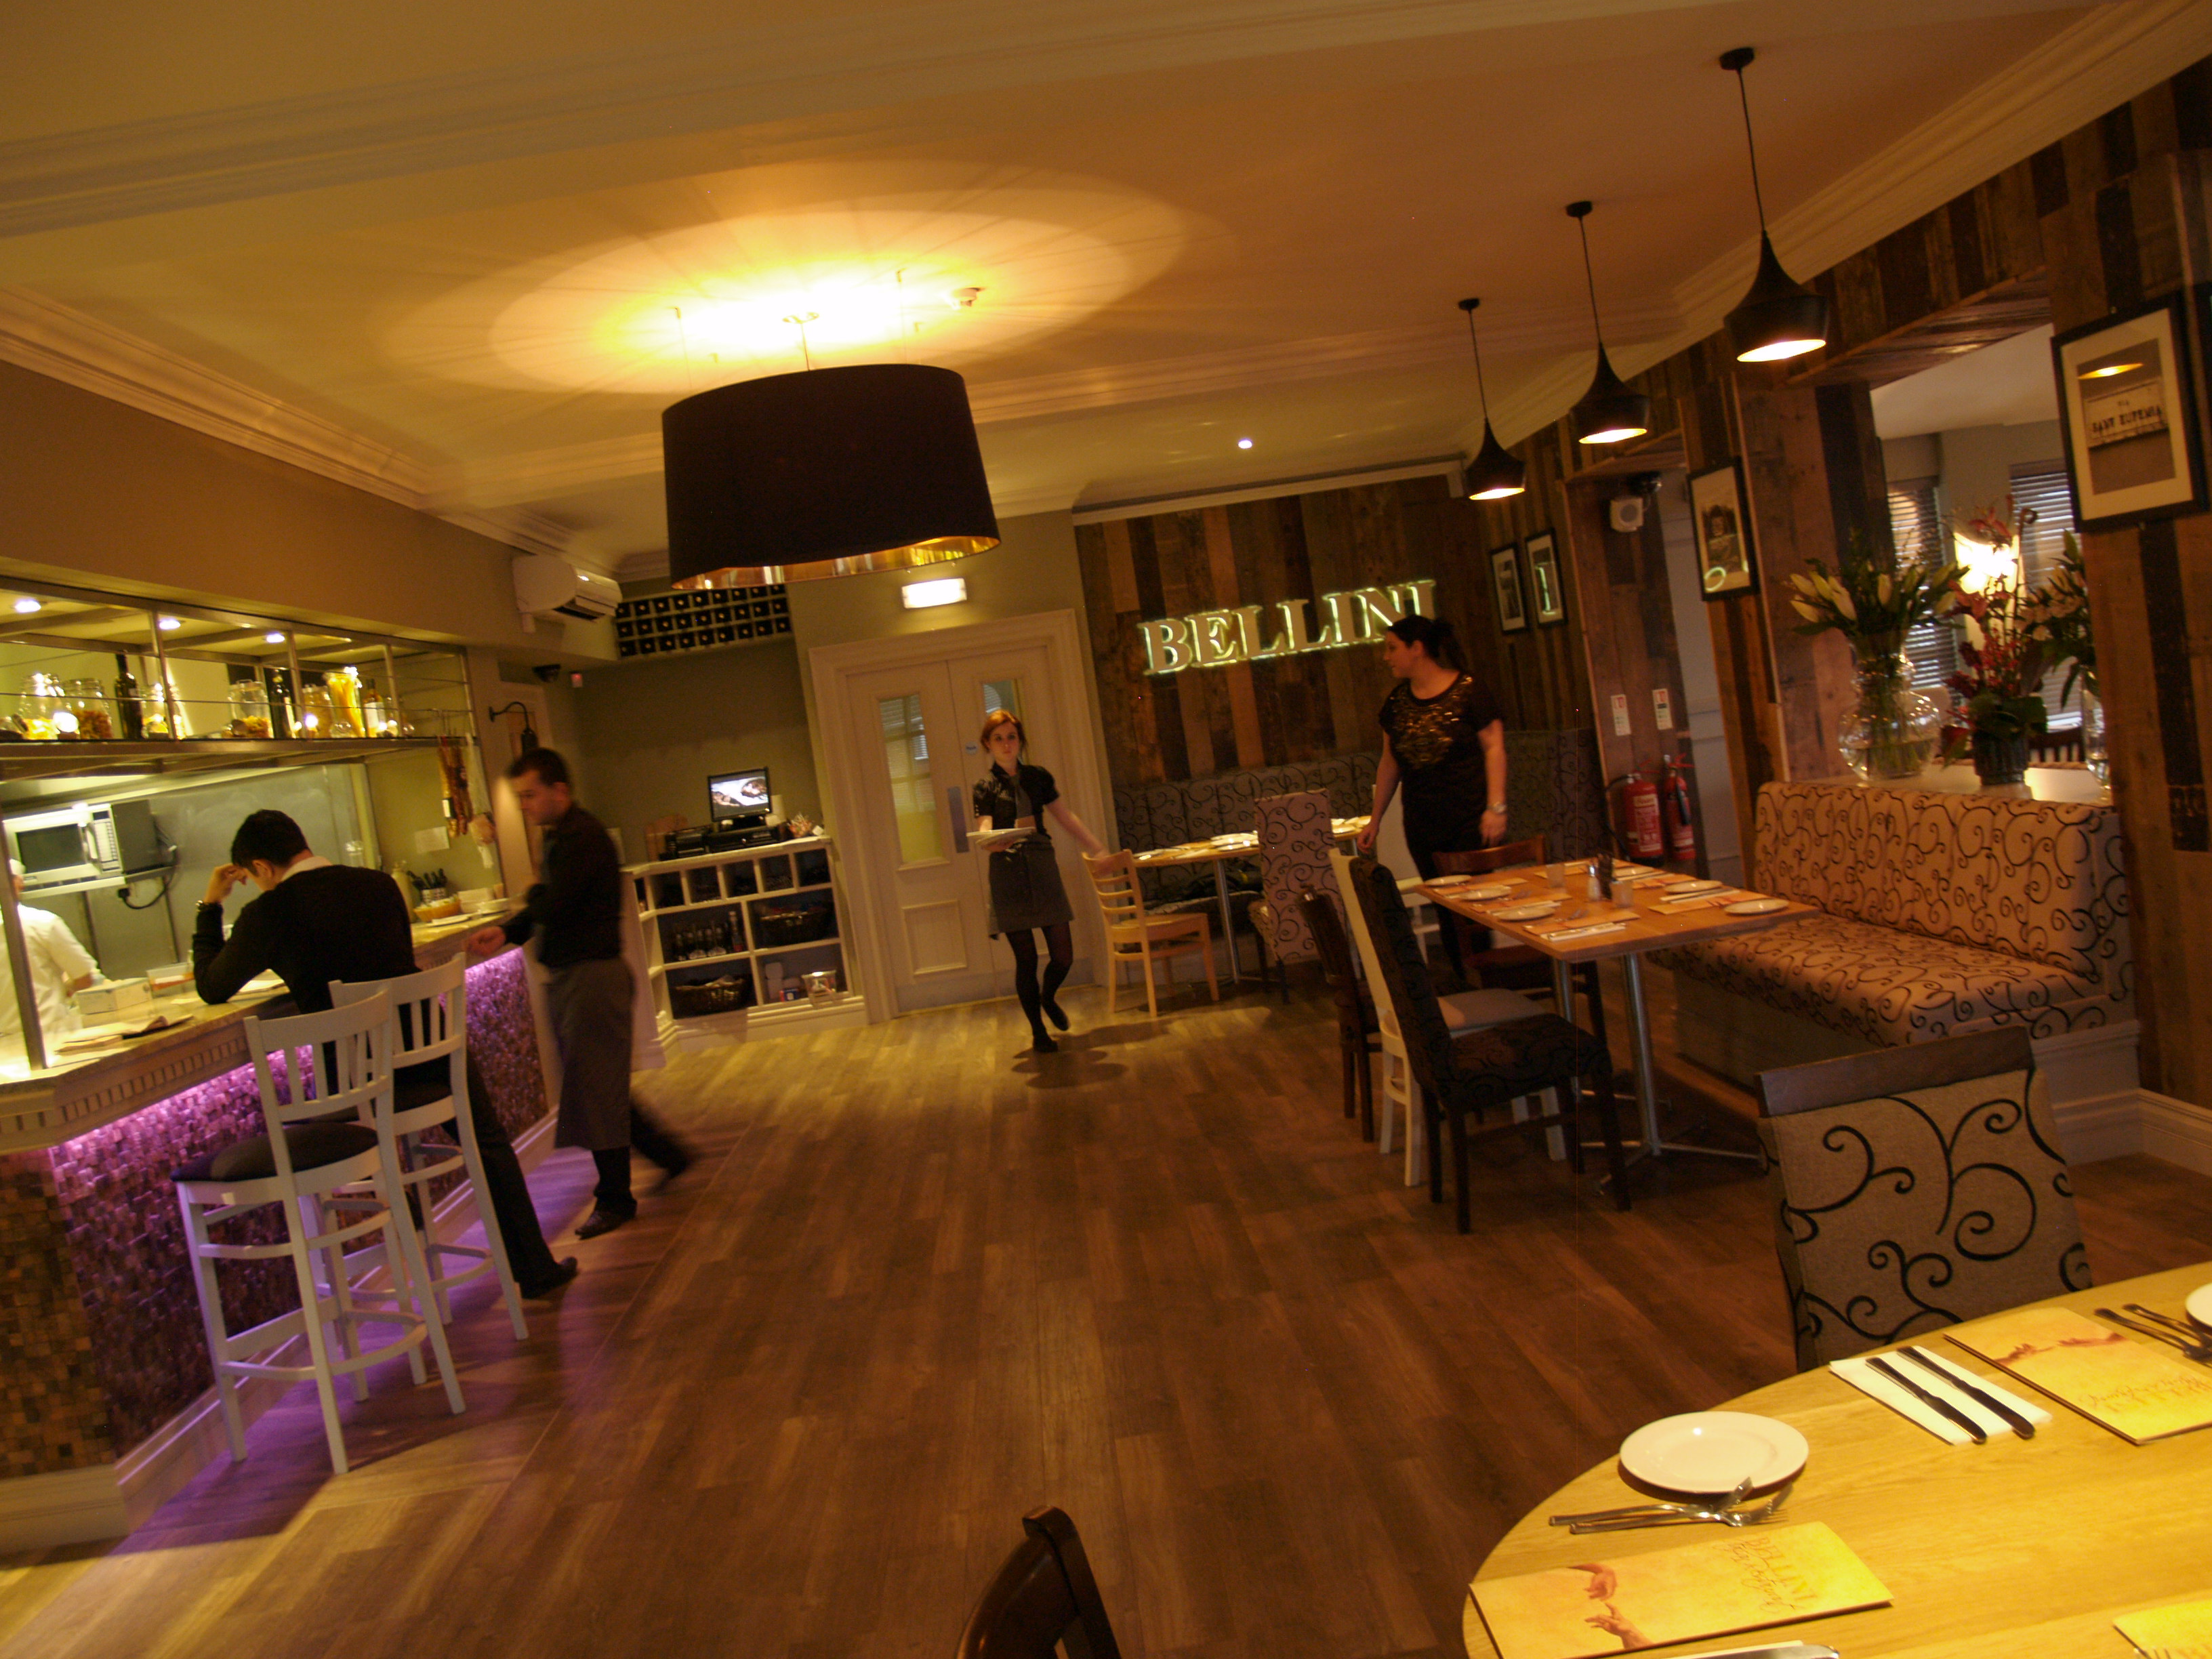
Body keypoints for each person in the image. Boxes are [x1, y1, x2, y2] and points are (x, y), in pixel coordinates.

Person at [194, 810, 577, 1298]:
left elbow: (213, 987)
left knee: (359, 1143)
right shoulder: (380, 885)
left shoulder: (268, 914)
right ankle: (535, 1268)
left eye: (254, 878)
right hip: (430, 1050)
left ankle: (406, 1232)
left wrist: (210, 905)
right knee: (488, 1141)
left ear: (262, 867)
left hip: (356, 1082)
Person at [468, 748, 691, 1239]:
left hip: (592, 978)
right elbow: (552, 906)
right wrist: (509, 930)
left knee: (598, 1092)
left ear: (560, 791)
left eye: (530, 795)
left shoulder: (582, 838)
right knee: (601, 1086)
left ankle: (616, 1200)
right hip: (582, 977)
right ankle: (668, 1156)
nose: (525, 805)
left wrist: (528, 900)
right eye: (521, 796)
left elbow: (556, 904)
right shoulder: (565, 837)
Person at [1355, 613, 1507, 978]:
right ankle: (1464, 979)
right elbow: (1390, 762)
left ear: (1417, 649)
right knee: (1443, 903)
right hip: (1422, 820)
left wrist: (1496, 807)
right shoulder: (1397, 703)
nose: (1386, 657)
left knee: (1476, 903)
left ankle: (1489, 978)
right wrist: (1375, 819)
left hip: (1470, 816)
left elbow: (1495, 747)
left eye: (1392, 648)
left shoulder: (1469, 689)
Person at [972, 710, 1105, 1054]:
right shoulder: (985, 787)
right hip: (1007, 869)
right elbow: (984, 827)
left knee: (1063, 955)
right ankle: (1038, 1032)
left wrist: (1095, 846)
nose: (1006, 744)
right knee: (1026, 960)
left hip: (1042, 865)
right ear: (988, 744)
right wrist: (990, 841)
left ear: (1020, 741)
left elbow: (1064, 816)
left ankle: (1049, 997)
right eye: (998, 738)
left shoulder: (1038, 777)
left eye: (1011, 737)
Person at [0, 859, 96, 1049]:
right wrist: (68, 986)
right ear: (18, 883)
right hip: (51, 1036)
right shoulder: (43, 923)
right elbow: (85, 978)